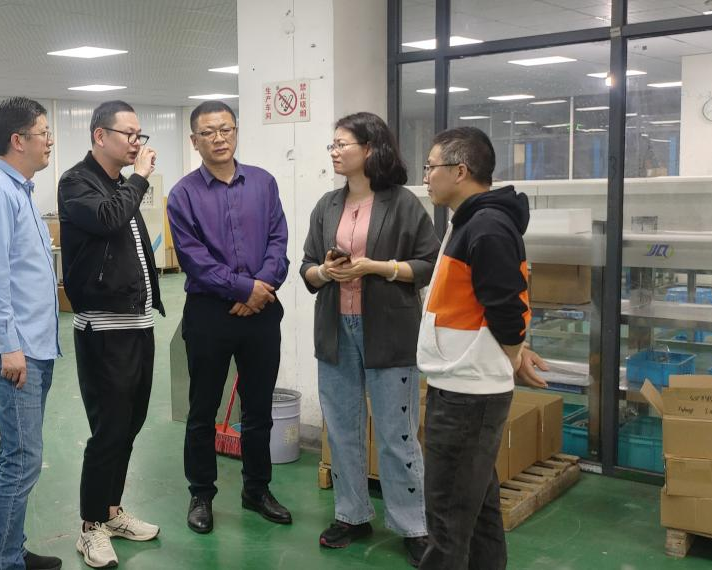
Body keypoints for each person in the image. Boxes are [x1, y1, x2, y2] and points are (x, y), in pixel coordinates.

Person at [300, 112, 439, 565]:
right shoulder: (327, 205)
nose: (335, 152)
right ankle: (352, 515)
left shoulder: (403, 204)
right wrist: (326, 272)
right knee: (342, 430)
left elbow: (428, 264)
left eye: (342, 144)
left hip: (389, 331)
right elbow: (307, 267)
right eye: (333, 145)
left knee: (397, 435)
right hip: (335, 329)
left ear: (370, 149)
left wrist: (376, 268)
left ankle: (413, 525)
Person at [416, 126, 549, 569]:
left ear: (460, 170)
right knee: (477, 511)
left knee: (447, 522)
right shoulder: (470, 220)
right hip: (462, 385)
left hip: (468, 396)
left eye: (431, 167)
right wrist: (513, 352)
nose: (426, 177)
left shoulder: (486, 226)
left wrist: (511, 352)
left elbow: (506, 307)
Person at [167, 100, 291, 535]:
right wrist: (244, 289)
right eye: (208, 132)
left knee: (258, 408)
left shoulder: (263, 183)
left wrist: (261, 287)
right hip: (209, 314)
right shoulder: (183, 194)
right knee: (203, 409)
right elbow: (194, 259)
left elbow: (279, 241)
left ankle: (257, 489)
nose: (218, 138)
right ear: (194, 140)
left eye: (225, 129)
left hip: (262, 311)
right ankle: (201, 493)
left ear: (236, 132)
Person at [58, 100, 164, 568]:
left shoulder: (120, 185)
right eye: (129, 134)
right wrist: (139, 179)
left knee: (131, 425)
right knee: (109, 430)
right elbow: (107, 220)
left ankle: (112, 510)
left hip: (138, 324)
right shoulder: (76, 183)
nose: (137, 143)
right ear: (100, 136)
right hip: (103, 329)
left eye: (140, 135)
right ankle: (90, 526)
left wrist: (131, 182)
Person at [0, 96, 64, 570]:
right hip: (16, 351)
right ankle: (4, 562)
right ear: (18, 140)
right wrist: (8, 346)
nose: (50, 141)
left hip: (35, 347)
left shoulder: (19, 191)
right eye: (43, 132)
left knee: (21, 456)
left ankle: (13, 551)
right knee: (20, 458)